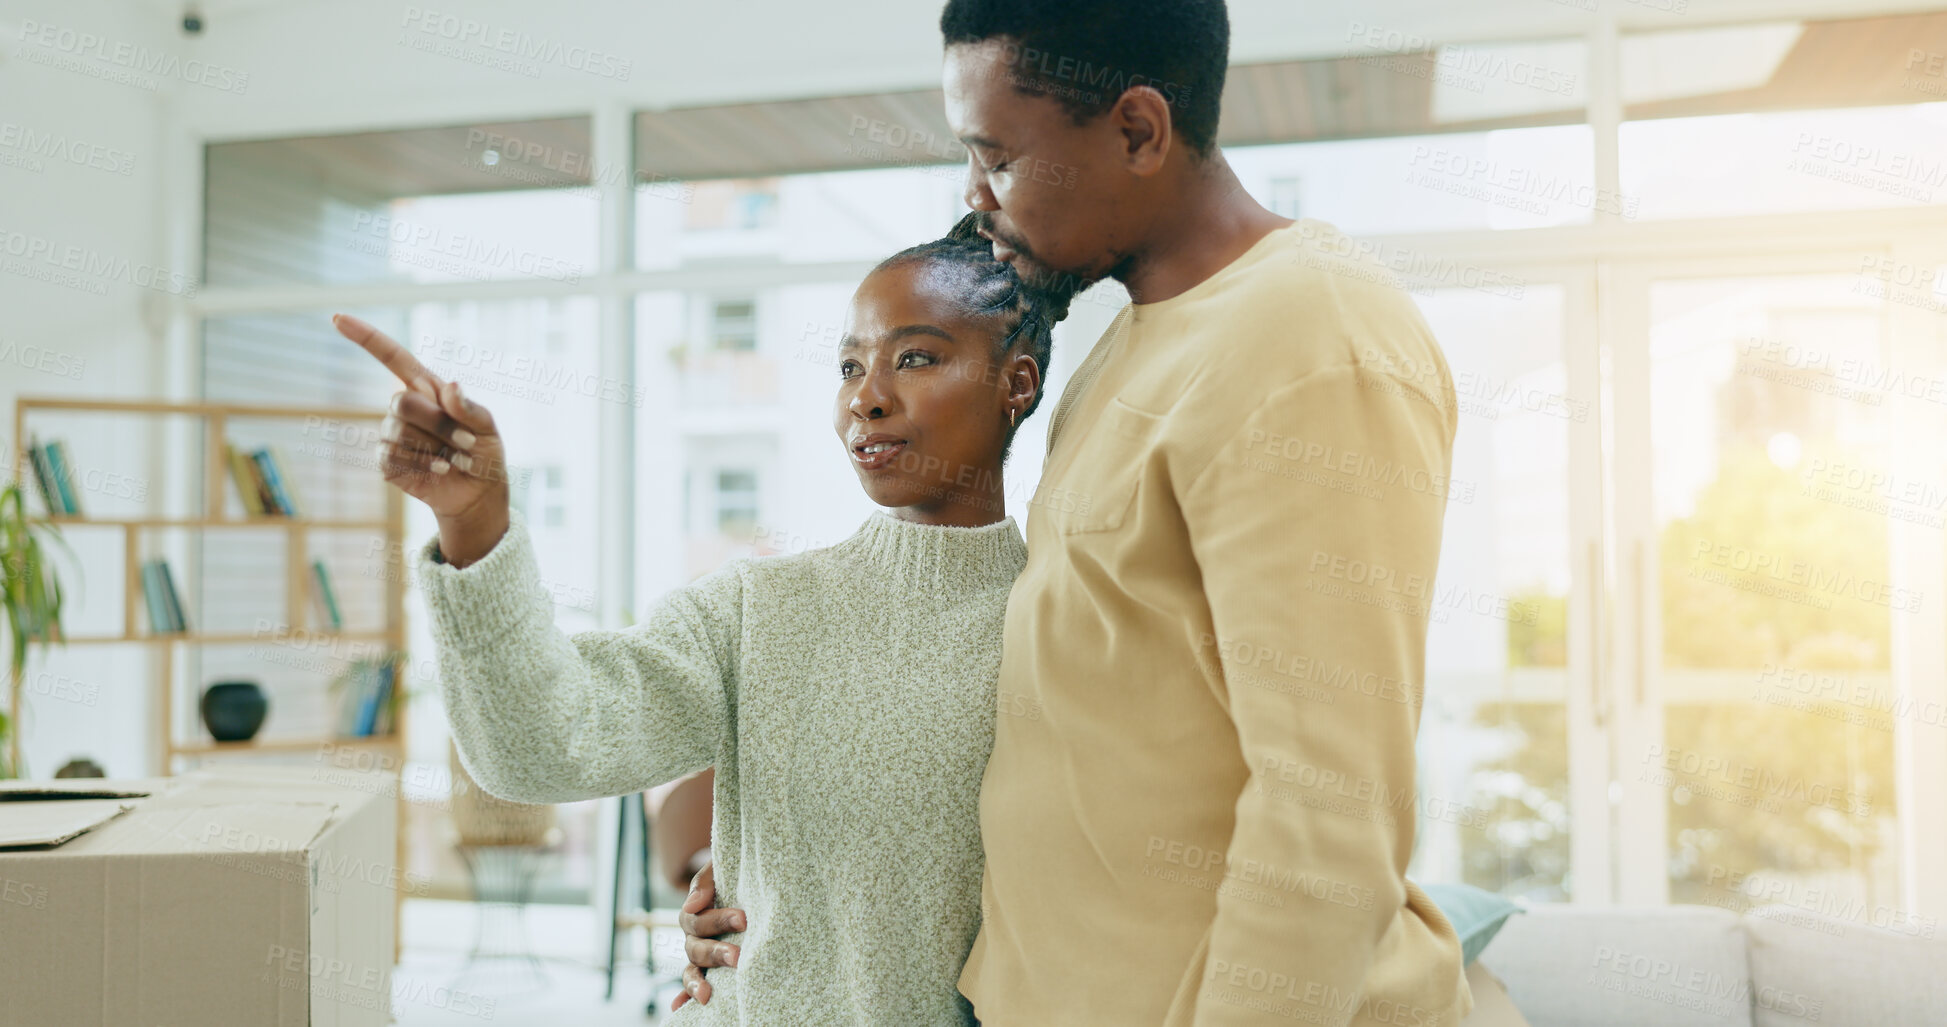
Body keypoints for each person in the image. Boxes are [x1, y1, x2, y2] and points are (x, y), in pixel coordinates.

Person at [677, 1, 1476, 1024]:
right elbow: (1084, 722)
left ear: (1138, 131)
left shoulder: (1308, 338)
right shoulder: (1131, 345)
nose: (976, 196)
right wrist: (777, 901)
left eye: (997, 157)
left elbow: (1329, 812)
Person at [331, 211, 1076, 1025]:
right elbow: (543, 747)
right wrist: (474, 524)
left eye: (914, 358)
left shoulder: (1071, 624)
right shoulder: (757, 609)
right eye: (849, 365)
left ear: (1019, 382)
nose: (866, 397)